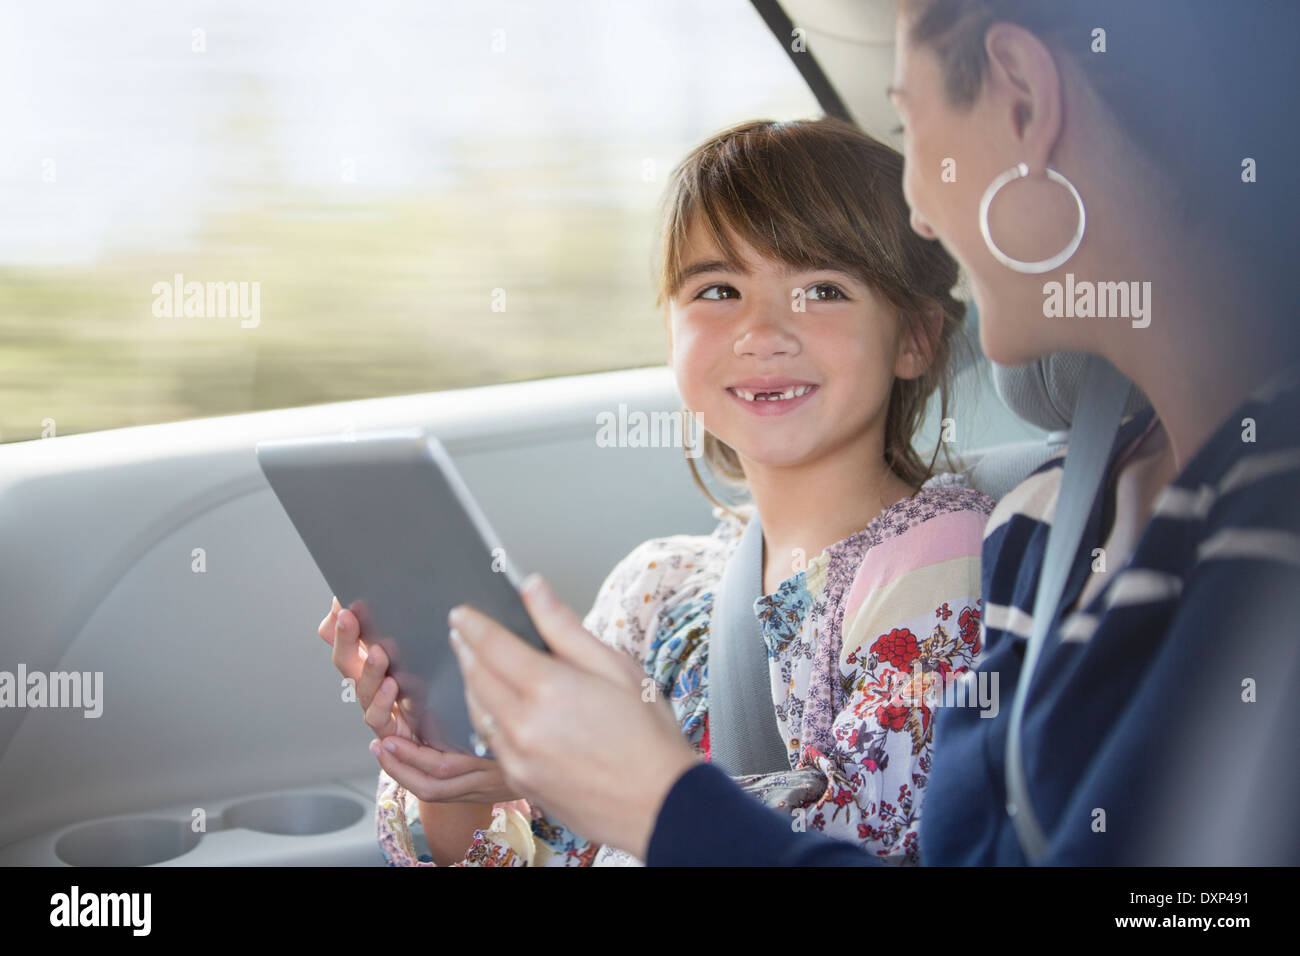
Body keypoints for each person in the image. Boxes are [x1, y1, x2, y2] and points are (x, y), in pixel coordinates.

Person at [430, 0, 1300, 865]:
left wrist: (658, 801)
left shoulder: (1218, 549)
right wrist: (483, 778)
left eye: (906, 122)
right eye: (715, 291)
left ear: (1026, 103)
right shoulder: (1044, 534)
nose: (920, 213)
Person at [320, 117, 999, 865]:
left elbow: (857, 841)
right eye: (718, 289)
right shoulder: (661, 589)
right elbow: (519, 854)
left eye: (822, 289)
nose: (760, 331)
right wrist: (462, 773)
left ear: (916, 338)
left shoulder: (939, 569)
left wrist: (594, 781)